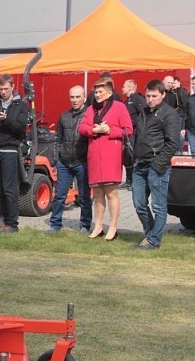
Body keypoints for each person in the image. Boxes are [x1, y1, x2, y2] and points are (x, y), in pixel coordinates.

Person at [78, 77, 133, 241]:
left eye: (100, 91)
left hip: (111, 155)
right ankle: (98, 225)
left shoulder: (119, 107)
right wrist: (94, 130)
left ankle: (113, 227)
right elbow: (82, 128)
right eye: (95, 91)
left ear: (109, 92)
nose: (97, 94)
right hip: (94, 155)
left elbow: (128, 130)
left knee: (111, 193)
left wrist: (109, 130)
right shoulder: (90, 110)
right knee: (98, 194)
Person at [131, 80, 180, 250]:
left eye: (154, 96)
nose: (150, 99)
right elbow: (138, 136)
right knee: (139, 204)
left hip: (157, 164)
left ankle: (153, 240)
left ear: (163, 95)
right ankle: (151, 233)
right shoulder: (143, 111)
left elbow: (173, 143)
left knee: (158, 205)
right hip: (140, 164)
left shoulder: (169, 114)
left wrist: (158, 164)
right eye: (148, 96)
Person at [0, 73, 29, 233]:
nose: (3, 92)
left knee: (9, 189)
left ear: (12, 87)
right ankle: (6, 219)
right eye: (1, 89)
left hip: (9, 151)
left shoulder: (20, 106)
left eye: (6, 89)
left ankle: (13, 224)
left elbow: (20, 128)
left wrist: (5, 119)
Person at [48, 85, 91, 234]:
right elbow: (58, 138)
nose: (75, 100)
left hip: (82, 162)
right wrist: (55, 159)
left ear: (84, 97)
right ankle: (55, 224)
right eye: (72, 97)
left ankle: (85, 225)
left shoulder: (89, 115)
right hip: (64, 162)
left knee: (84, 196)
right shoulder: (64, 116)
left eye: (78, 97)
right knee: (60, 195)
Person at [121, 79, 147, 190]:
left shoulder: (138, 99)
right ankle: (128, 180)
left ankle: (134, 181)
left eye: (124, 86)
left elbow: (142, 115)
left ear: (130, 88)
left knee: (132, 156)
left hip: (133, 133)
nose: (122, 88)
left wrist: (133, 125)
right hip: (126, 133)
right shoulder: (127, 101)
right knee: (126, 157)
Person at [163, 75, 188, 152]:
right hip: (162, 119)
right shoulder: (160, 93)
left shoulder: (175, 93)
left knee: (176, 136)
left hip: (173, 118)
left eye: (171, 83)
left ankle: (178, 153)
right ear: (163, 82)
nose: (170, 84)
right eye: (168, 82)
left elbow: (180, 106)